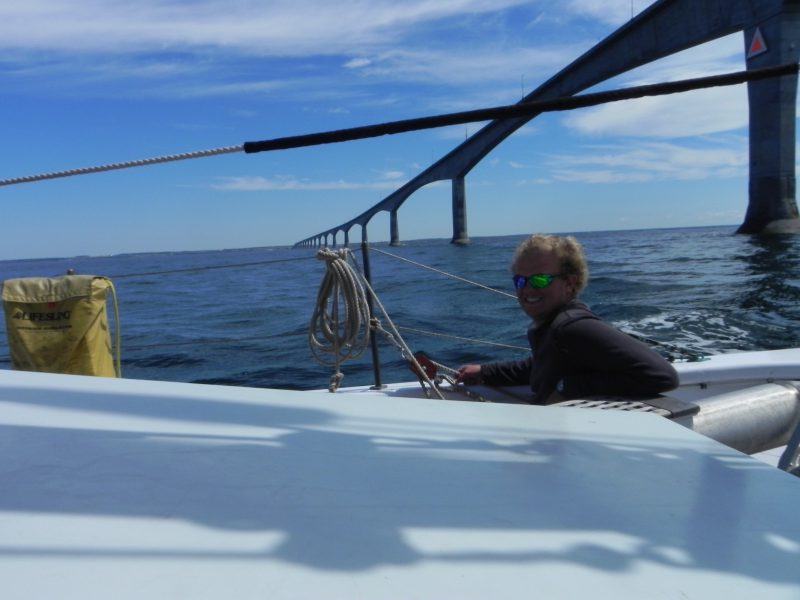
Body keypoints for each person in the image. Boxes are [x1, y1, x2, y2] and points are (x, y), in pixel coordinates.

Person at [455, 234, 679, 404]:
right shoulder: (551, 327)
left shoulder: (573, 327)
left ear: (570, 283)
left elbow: (662, 375)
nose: (527, 289)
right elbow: (544, 366)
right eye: (520, 281)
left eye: (540, 279)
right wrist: (485, 372)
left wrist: (566, 387)